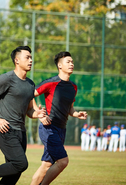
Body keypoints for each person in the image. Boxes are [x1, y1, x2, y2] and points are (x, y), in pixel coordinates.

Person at [0, 46, 49, 185]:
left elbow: (29, 111)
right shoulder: (7, 78)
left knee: (15, 172)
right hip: (5, 129)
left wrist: (37, 114)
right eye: (27, 57)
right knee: (21, 163)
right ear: (17, 60)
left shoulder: (30, 84)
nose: (31, 60)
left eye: (31, 57)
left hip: (21, 132)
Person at [30, 51, 88, 185]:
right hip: (48, 127)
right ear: (60, 66)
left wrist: (77, 114)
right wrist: (38, 113)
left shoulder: (73, 87)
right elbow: (30, 95)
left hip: (62, 129)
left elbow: (70, 109)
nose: (72, 64)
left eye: (72, 62)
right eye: (68, 62)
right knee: (63, 161)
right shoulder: (51, 82)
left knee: (46, 165)